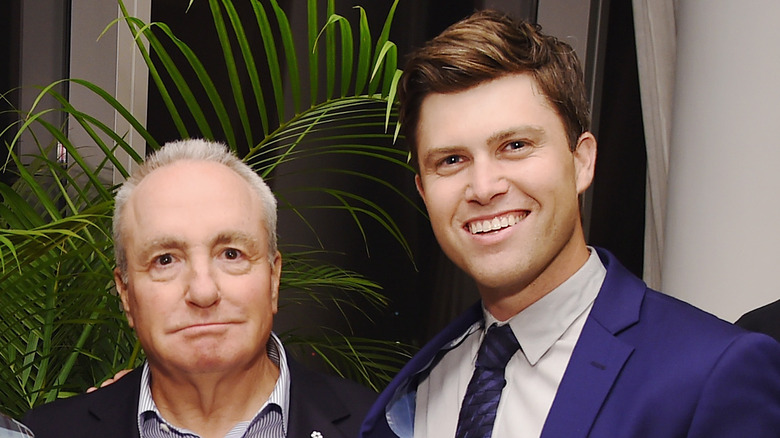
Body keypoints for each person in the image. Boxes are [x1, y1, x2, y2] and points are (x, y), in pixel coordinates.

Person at [360, 10, 780, 438]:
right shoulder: (418, 391)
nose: (483, 187)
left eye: (515, 145)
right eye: (451, 160)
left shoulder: (710, 372)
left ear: (582, 162)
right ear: (424, 191)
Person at [23, 139, 375, 438]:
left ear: (273, 280)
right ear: (126, 295)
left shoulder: (380, 429)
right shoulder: (48, 433)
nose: (203, 292)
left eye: (231, 254)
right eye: (165, 260)